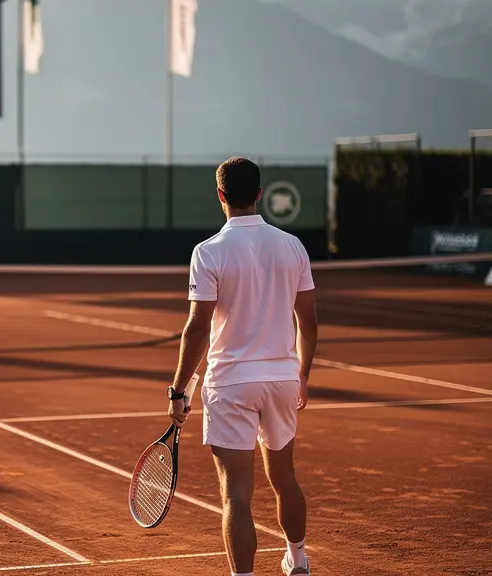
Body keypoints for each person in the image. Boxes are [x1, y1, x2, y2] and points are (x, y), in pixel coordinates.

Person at [165, 156, 318, 576]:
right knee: (284, 476)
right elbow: (308, 322)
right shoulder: (292, 246)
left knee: (236, 493)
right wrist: (300, 376)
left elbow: (196, 329)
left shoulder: (208, 252)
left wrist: (179, 391)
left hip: (232, 384)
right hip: (282, 380)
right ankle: (299, 558)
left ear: (220, 196)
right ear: (259, 194)